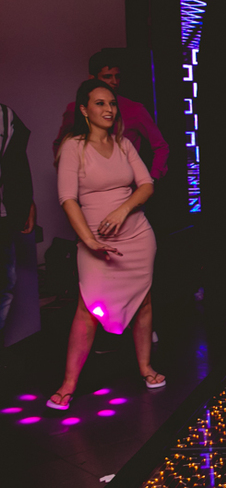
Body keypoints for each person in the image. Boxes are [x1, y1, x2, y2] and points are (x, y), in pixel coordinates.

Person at [48, 80, 160, 409]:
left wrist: (123, 209)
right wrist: (89, 240)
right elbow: (67, 199)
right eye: (100, 103)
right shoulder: (73, 147)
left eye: (111, 103)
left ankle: (146, 367)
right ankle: (68, 384)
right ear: (84, 110)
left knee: (143, 302)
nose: (109, 109)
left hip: (137, 235)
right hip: (94, 240)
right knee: (87, 310)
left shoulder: (124, 144)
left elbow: (146, 185)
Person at [52, 49, 169, 180]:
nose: (114, 82)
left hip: (128, 185)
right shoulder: (75, 109)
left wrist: (152, 179)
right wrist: (68, 176)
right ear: (92, 78)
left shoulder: (134, 109)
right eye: (107, 77)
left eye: (117, 76)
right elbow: (60, 144)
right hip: (88, 185)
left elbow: (160, 146)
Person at [0, 102, 35, 368]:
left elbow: (16, 164)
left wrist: (27, 203)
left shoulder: (6, 115)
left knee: (5, 283)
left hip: (3, 215)